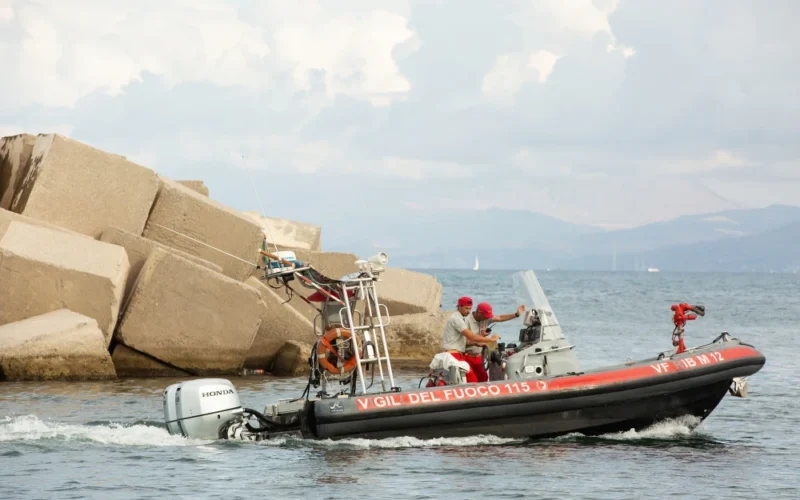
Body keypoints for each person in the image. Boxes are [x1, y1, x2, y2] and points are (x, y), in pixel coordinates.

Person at [441, 296, 499, 383]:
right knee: (471, 379)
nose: (468, 311)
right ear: (459, 306)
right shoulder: (457, 319)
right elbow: (471, 336)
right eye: (466, 308)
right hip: (453, 353)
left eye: (470, 309)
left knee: (478, 378)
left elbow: (466, 339)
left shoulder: (460, 318)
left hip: (458, 353)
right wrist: (490, 339)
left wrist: (476, 343)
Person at [463, 302, 526, 382]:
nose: (487, 318)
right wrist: (477, 341)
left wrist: (516, 314)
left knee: (483, 379)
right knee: (471, 380)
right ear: (478, 312)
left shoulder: (486, 318)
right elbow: (463, 341)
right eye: (485, 316)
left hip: (478, 356)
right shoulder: (466, 321)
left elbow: (500, 318)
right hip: (467, 355)